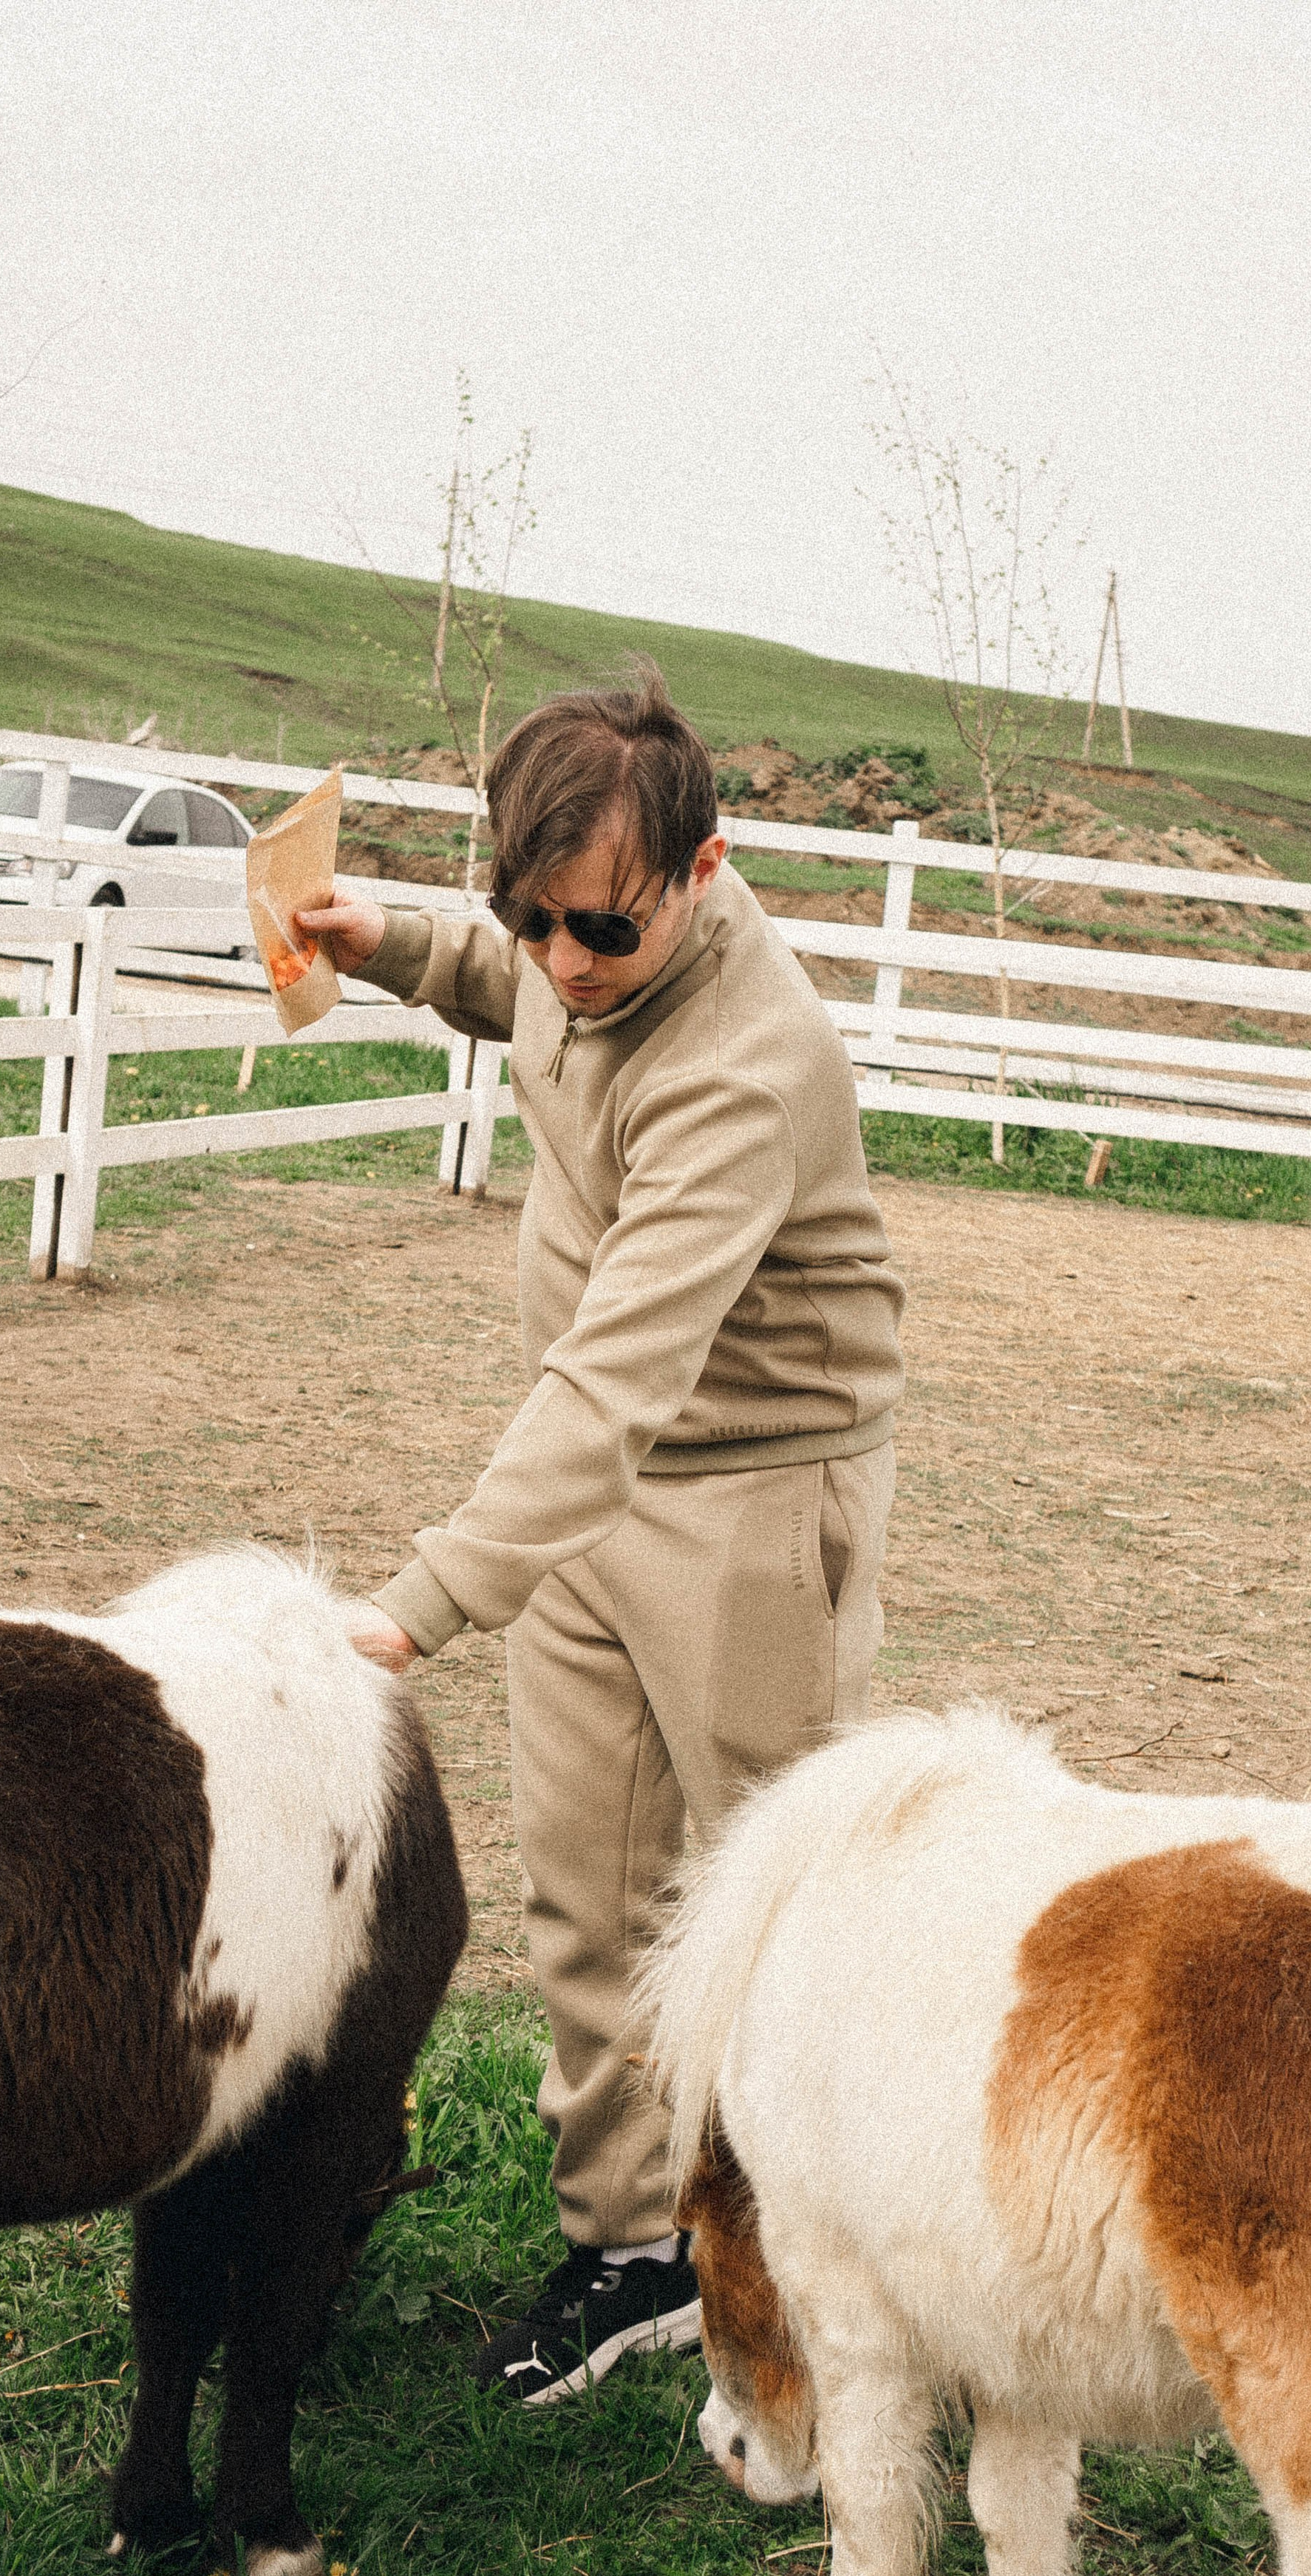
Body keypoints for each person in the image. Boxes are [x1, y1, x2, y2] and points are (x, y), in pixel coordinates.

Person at [299, 665, 904, 2407]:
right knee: (586, 1882)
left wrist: (418, 1606)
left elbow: (617, 1384)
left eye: (602, 932)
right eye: (531, 914)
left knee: (771, 1901)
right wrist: (404, 944)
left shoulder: (744, 1073)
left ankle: (835, 2261)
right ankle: (631, 2245)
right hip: (590, 1498)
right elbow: (522, 994)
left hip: (744, 1491)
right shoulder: (572, 941)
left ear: (703, 874)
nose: (564, 960)